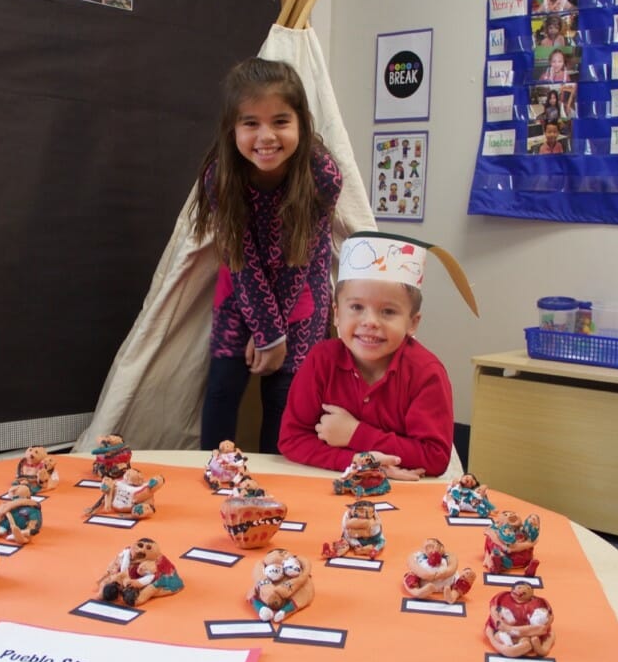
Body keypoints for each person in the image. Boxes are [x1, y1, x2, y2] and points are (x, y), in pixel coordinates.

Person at [190, 57, 343, 455]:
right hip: (242, 290)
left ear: (301, 124)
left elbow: (299, 261)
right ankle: (215, 472)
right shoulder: (221, 178)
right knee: (223, 386)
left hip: (301, 292)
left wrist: (275, 336)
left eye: (280, 121)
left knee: (285, 396)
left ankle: (273, 487)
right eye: (250, 123)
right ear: (232, 128)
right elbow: (242, 261)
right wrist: (265, 331)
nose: (266, 136)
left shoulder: (321, 175)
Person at [277, 232, 458, 479]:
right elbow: (291, 439)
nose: (370, 322)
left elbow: (434, 457)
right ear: (337, 313)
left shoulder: (426, 373)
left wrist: (355, 434)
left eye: (388, 311)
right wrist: (360, 462)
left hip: (406, 496)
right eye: (357, 307)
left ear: (412, 323)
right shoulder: (321, 360)